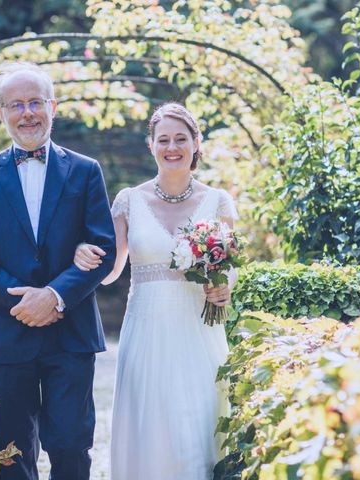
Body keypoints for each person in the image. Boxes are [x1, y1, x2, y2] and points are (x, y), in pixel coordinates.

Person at [0, 63, 116, 480]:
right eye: (16, 105)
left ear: (52, 107)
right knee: (11, 453)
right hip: (7, 334)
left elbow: (105, 244)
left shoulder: (85, 170)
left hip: (71, 332)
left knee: (70, 445)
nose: (27, 113)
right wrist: (27, 300)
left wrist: (55, 296)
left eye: (35, 102)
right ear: (2, 113)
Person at [73, 102, 238, 479]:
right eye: (163, 139)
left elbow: (229, 271)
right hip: (146, 329)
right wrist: (83, 255)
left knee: (197, 423)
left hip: (198, 329)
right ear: (151, 145)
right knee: (151, 425)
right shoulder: (129, 200)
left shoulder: (218, 201)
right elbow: (112, 270)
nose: (172, 147)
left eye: (181, 138)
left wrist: (223, 289)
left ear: (197, 143)